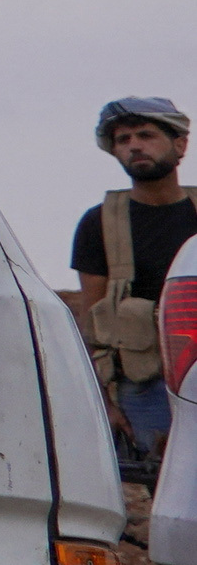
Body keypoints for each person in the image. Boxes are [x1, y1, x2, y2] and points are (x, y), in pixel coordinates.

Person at [74, 94, 188, 505]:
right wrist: (106, 402)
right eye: (123, 139)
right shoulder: (100, 223)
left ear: (180, 144)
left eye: (146, 134)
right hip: (144, 383)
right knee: (170, 498)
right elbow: (94, 321)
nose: (134, 145)